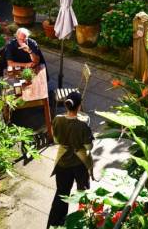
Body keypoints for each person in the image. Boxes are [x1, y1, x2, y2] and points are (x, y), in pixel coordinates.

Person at [47, 91, 93, 227]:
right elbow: (88, 145)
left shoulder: (57, 119)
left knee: (61, 194)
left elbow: (56, 140)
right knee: (82, 193)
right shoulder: (83, 124)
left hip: (63, 163)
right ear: (79, 107)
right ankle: (84, 222)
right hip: (80, 164)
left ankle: (55, 224)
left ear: (67, 106)